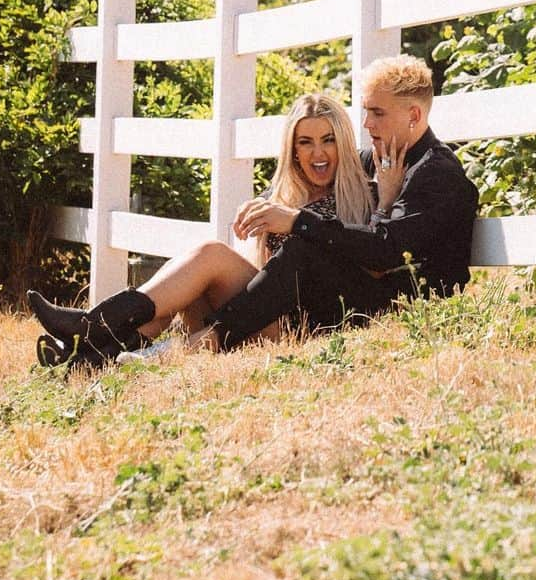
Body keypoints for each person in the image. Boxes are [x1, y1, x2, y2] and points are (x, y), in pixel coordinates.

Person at [30, 55, 479, 365]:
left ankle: (161, 352)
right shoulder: (378, 161)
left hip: (376, 314)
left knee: (305, 248)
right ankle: (93, 338)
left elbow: (386, 254)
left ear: (414, 117)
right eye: (365, 113)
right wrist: (275, 207)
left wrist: (300, 221)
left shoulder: (435, 174)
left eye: (376, 114)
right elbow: (321, 175)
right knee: (210, 254)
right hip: (322, 298)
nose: (366, 125)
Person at [28, 92, 372, 368]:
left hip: (297, 328)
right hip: (248, 316)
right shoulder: (279, 197)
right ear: (293, 150)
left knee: (211, 254)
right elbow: (256, 273)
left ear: (342, 142)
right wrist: (259, 231)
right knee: (193, 279)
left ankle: (90, 330)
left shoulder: (362, 199)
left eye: (328, 140)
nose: (318, 153)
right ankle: (85, 357)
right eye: (305, 142)